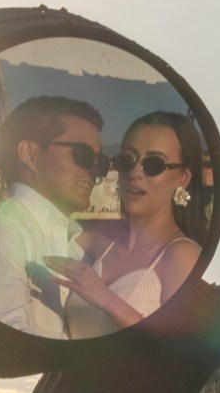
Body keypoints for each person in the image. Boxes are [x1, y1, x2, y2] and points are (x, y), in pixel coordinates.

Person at [0, 95, 105, 337]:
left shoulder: (77, 246)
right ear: (30, 155)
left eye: (100, 161)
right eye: (83, 155)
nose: (95, 169)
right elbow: (6, 340)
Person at [50, 110, 208, 337]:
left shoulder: (182, 255)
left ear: (183, 178)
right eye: (126, 161)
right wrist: (5, 204)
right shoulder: (104, 242)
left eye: (154, 164)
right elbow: (45, 225)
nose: (135, 172)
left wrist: (106, 300)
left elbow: (182, 351)